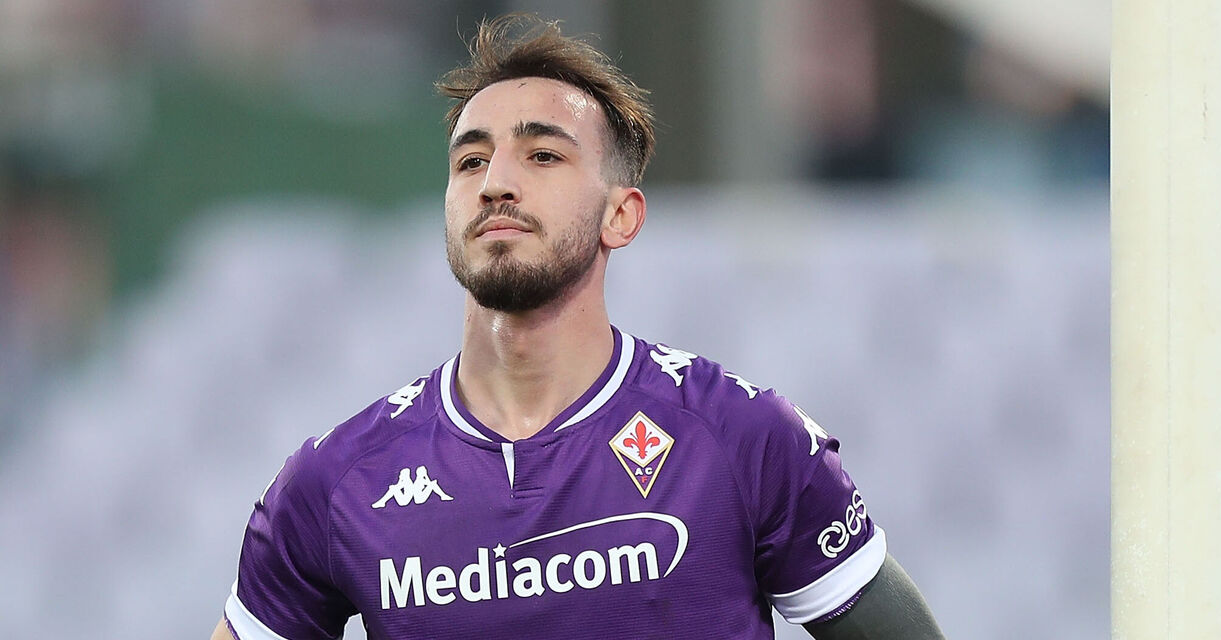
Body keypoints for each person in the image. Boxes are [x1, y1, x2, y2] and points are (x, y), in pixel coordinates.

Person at [211, 14, 943, 640]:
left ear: (620, 215)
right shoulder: (337, 481)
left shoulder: (743, 437)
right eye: (471, 160)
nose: (496, 181)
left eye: (543, 154)